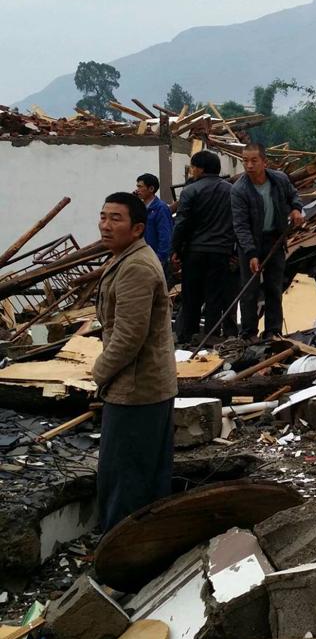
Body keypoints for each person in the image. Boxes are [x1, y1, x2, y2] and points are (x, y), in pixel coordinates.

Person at [93, 192, 178, 532]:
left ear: (138, 228)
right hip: (143, 386)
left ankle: (119, 561)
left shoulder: (136, 267)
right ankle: (142, 552)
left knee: (125, 481)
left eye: (116, 219)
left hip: (136, 390)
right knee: (143, 478)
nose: (106, 225)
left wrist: (98, 374)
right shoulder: (126, 258)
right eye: (103, 216)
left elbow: (128, 337)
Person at [231, 143, 305, 339]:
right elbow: (240, 226)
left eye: (254, 161)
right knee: (250, 290)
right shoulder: (239, 189)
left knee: (274, 287)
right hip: (251, 243)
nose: (249, 165)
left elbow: (294, 196)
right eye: (245, 161)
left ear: (264, 162)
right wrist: (251, 253)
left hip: (275, 238)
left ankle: (273, 330)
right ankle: (248, 332)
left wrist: (296, 208)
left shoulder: (279, 180)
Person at [170, 151, 236, 344]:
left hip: (195, 252)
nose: (192, 171)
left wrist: (175, 249)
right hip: (221, 252)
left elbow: (181, 223)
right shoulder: (231, 191)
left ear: (200, 168)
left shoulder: (190, 191)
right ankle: (210, 335)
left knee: (192, 295)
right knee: (214, 296)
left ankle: (186, 336)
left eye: (193, 167)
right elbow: (238, 222)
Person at [134, 173, 173, 273]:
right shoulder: (140, 208)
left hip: (156, 258)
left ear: (151, 189)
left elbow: (165, 235)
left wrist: (160, 258)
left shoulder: (161, 208)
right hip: (142, 257)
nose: (137, 190)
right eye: (137, 186)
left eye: (140, 186)